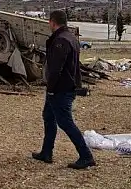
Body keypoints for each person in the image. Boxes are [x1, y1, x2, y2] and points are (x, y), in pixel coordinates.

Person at [32, 10, 96, 170]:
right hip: (62, 86)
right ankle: (46, 152)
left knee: (65, 122)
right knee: (48, 116)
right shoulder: (71, 38)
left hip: (61, 88)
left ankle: (86, 155)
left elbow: (56, 69)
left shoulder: (61, 41)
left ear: (52, 22)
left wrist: (51, 88)